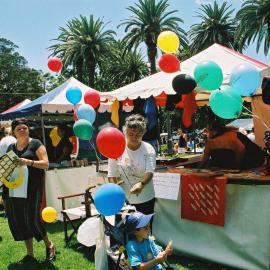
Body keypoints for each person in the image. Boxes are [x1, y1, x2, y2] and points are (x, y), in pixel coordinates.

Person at [2, 118, 55, 263]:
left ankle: (49, 245)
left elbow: (46, 164)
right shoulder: (11, 148)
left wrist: (28, 162)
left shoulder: (36, 144)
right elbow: (6, 168)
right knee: (21, 219)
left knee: (32, 219)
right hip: (16, 188)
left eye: (24, 127)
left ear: (28, 129)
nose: (22, 130)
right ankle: (30, 254)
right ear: (13, 132)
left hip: (33, 187)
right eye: (19, 128)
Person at [108, 114, 156, 215]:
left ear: (143, 134)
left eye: (138, 135)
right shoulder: (117, 148)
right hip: (124, 201)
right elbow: (112, 174)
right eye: (131, 134)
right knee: (126, 230)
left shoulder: (148, 149)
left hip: (146, 198)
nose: (134, 138)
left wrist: (141, 184)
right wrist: (115, 193)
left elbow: (150, 171)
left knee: (145, 229)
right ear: (125, 133)